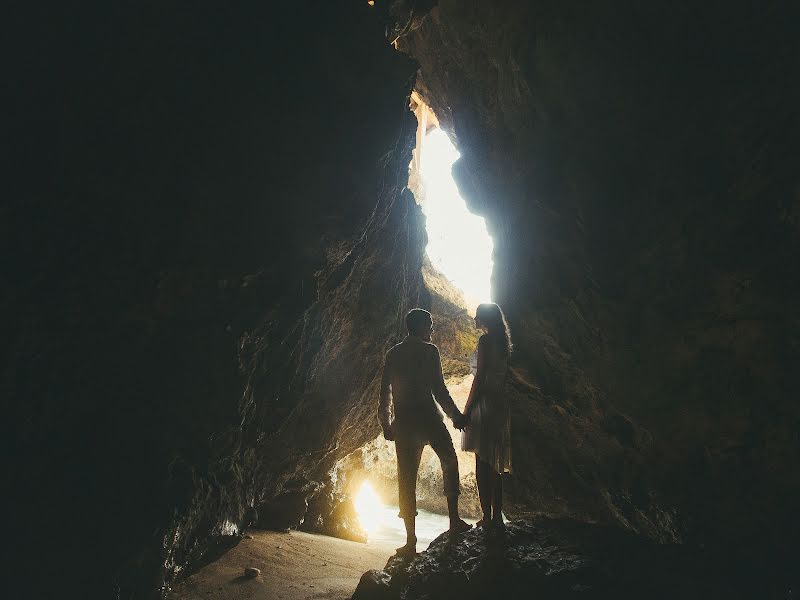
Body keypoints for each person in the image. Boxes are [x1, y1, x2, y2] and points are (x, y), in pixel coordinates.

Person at [378, 308, 472, 556]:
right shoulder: (430, 352)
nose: (432, 329)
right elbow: (439, 389)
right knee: (450, 461)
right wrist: (456, 417)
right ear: (419, 326)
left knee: (406, 479)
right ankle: (454, 520)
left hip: (405, 424)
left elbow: (384, 393)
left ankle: (410, 542)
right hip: (429, 419)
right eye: (429, 324)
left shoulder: (393, 353)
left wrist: (385, 424)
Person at [461, 302, 512, 528]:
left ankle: (487, 516)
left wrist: (467, 409)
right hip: (500, 405)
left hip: (485, 404)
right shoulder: (504, 343)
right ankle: (497, 516)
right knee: (495, 463)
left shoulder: (485, 341)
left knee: (482, 463)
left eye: (477, 316)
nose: (474, 319)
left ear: (485, 319)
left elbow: (479, 377)